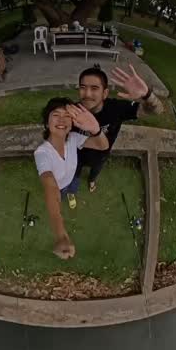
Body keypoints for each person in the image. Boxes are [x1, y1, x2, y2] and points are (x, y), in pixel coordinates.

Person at [34, 97, 109, 259]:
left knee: (73, 188)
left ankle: (70, 194)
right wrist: (61, 235)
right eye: (56, 115)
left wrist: (95, 129)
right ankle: (66, 195)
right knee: (59, 195)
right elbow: (50, 186)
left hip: (72, 178)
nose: (62, 120)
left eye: (67, 116)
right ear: (46, 123)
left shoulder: (74, 137)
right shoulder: (42, 153)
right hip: (59, 187)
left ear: (72, 122)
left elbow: (103, 145)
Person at [73, 62, 163, 193]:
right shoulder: (73, 110)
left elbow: (157, 110)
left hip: (100, 156)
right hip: (77, 154)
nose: (87, 93)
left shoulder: (116, 108)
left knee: (95, 171)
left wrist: (147, 95)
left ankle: (91, 180)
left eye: (94, 88)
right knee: (75, 172)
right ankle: (73, 182)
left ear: (105, 93)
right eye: (83, 87)